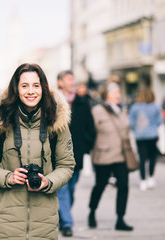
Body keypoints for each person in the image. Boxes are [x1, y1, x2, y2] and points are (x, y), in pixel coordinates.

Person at [0, 63, 75, 239]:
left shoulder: (56, 121)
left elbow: (67, 165)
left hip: (44, 224)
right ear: (16, 89)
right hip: (5, 223)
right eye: (24, 86)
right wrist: (8, 177)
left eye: (36, 85)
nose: (31, 91)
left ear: (43, 88)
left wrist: (49, 181)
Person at [88, 77, 134, 231]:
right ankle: (92, 211)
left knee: (124, 186)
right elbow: (90, 131)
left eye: (118, 91)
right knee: (100, 185)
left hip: (121, 155)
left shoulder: (122, 110)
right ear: (106, 94)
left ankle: (120, 218)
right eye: (114, 91)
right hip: (103, 154)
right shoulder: (97, 110)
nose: (117, 94)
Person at [57, 70, 95, 237]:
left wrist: (86, 145)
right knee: (62, 189)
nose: (72, 82)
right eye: (68, 79)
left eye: (73, 79)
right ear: (60, 82)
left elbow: (90, 127)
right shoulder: (53, 102)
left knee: (71, 189)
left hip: (77, 153)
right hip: (57, 155)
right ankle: (67, 223)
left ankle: (62, 215)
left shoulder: (82, 102)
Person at [129, 88, 163, 191]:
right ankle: (151, 177)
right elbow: (160, 121)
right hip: (152, 136)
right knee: (152, 157)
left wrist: (137, 129)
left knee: (142, 159)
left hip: (140, 136)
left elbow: (130, 123)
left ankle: (142, 180)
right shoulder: (156, 107)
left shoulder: (135, 107)